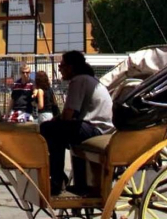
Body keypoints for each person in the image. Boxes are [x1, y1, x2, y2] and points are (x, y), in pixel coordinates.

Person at [40, 51, 114, 196]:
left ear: (71, 67)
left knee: (48, 129)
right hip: (99, 127)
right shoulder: (88, 79)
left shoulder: (79, 80)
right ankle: (79, 183)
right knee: (60, 130)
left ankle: (57, 178)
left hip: (96, 129)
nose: (59, 68)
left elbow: (68, 114)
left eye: (62, 65)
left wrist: (55, 121)